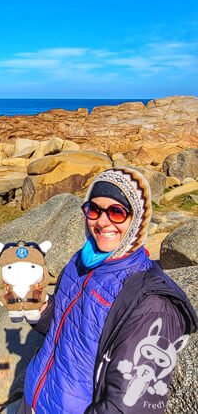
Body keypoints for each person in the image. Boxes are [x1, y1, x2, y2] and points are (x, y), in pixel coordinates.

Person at [17, 167, 197, 413]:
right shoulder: (80, 262)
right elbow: (69, 330)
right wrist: (40, 308)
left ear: (138, 220)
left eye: (117, 212)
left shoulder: (152, 304)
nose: (102, 221)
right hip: (34, 398)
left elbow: (127, 406)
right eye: (94, 209)